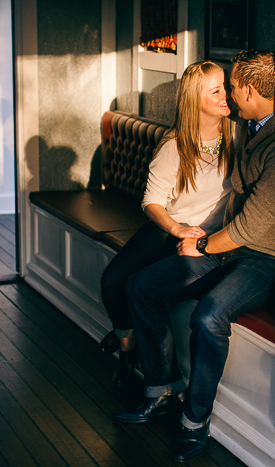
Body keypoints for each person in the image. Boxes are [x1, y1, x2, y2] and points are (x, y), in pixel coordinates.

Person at [113, 50, 275, 463]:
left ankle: (194, 421)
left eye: (231, 87)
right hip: (233, 247)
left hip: (271, 260)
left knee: (209, 315)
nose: (228, 94)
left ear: (249, 90)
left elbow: (250, 227)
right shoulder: (254, 124)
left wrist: (202, 244)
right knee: (140, 285)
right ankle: (161, 387)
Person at [99, 60, 234, 387]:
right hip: (169, 227)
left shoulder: (238, 136)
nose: (225, 95)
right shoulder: (175, 145)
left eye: (225, 87)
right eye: (215, 90)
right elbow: (151, 202)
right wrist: (176, 229)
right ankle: (127, 347)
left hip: (210, 238)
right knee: (113, 279)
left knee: (139, 284)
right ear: (194, 100)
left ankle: (151, 372)